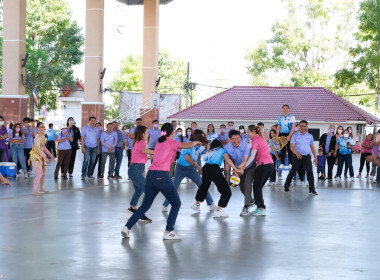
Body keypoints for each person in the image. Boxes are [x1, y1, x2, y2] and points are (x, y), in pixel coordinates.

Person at [121, 123, 202, 240]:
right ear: (172, 133)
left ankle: (127, 227)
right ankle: (168, 231)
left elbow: (163, 155)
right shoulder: (171, 142)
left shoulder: (159, 142)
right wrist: (196, 142)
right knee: (176, 203)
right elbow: (187, 145)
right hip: (162, 176)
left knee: (145, 205)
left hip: (150, 175)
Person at [166, 129, 216, 212]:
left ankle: (211, 204)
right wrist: (198, 167)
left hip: (191, 169)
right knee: (174, 187)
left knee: (202, 185)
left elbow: (204, 152)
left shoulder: (198, 145)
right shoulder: (188, 145)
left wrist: (207, 146)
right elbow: (187, 158)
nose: (203, 140)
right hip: (180, 168)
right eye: (202, 138)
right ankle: (165, 205)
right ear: (198, 138)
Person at [193, 139, 241, 218]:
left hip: (205, 168)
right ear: (220, 145)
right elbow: (227, 160)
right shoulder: (222, 150)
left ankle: (196, 203)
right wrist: (235, 169)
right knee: (226, 191)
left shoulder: (210, 151)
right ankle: (218, 210)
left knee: (204, 187)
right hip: (214, 169)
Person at [127, 125, 154, 222]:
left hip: (136, 169)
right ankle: (140, 214)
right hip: (135, 170)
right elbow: (144, 151)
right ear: (142, 134)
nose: (148, 134)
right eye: (147, 132)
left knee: (139, 190)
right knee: (148, 191)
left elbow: (140, 155)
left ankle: (132, 207)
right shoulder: (141, 142)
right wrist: (157, 152)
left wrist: (149, 157)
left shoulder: (138, 142)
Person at [245, 125, 274, 216]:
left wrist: (243, 167)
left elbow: (252, 156)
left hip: (264, 165)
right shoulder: (260, 138)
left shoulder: (255, 140)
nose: (247, 134)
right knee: (258, 187)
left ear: (253, 131)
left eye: (248, 132)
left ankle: (261, 208)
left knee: (257, 187)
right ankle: (260, 207)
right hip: (268, 165)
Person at [283, 120, 318, 195]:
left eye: (304, 126)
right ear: (299, 127)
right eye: (301, 126)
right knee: (293, 171)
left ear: (307, 127)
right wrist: (296, 153)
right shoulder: (295, 135)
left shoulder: (310, 136)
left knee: (310, 172)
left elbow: (312, 147)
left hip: (307, 156)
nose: (302, 127)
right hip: (297, 156)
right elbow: (291, 147)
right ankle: (286, 186)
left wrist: (315, 157)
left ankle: (312, 189)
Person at [223, 129, 253, 216]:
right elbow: (228, 162)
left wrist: (238, 170)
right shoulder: (226, 147)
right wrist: (228, 176)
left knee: (247, 184)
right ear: (230, 139)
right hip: (237, 167)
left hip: (249, 166)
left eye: (238, 138)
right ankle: (252, 202)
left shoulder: (245, 145)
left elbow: (245, 160)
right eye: (234, 138)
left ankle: (246, 206)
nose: (236, 140)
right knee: (242, 187)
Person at [29, 122, 55, 196]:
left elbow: (43, 148)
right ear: (37, 128)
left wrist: (50, 155)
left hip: (40, 156)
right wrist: (45, 157)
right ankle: (34, 191)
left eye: (44, 127)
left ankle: (41, 188)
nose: (43, 128)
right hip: (35, 156)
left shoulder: (43, 136)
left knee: (43, 174)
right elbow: (37, 148)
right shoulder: (37, 137)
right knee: (39, 173)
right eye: (41, 127)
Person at [276, 105, 296, 169]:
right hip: (282, 134)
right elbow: (278, 127)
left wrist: (289, 136)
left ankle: (290, 164)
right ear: (282, 109)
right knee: (282, 149)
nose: (285, 109)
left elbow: (293, 127)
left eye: (286, 108)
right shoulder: (280, 117)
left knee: (290, 149)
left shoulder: (292, 117)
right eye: (284, 108)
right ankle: (282, 163)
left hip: (289, 134)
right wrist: (277, 136)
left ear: (289, 109)